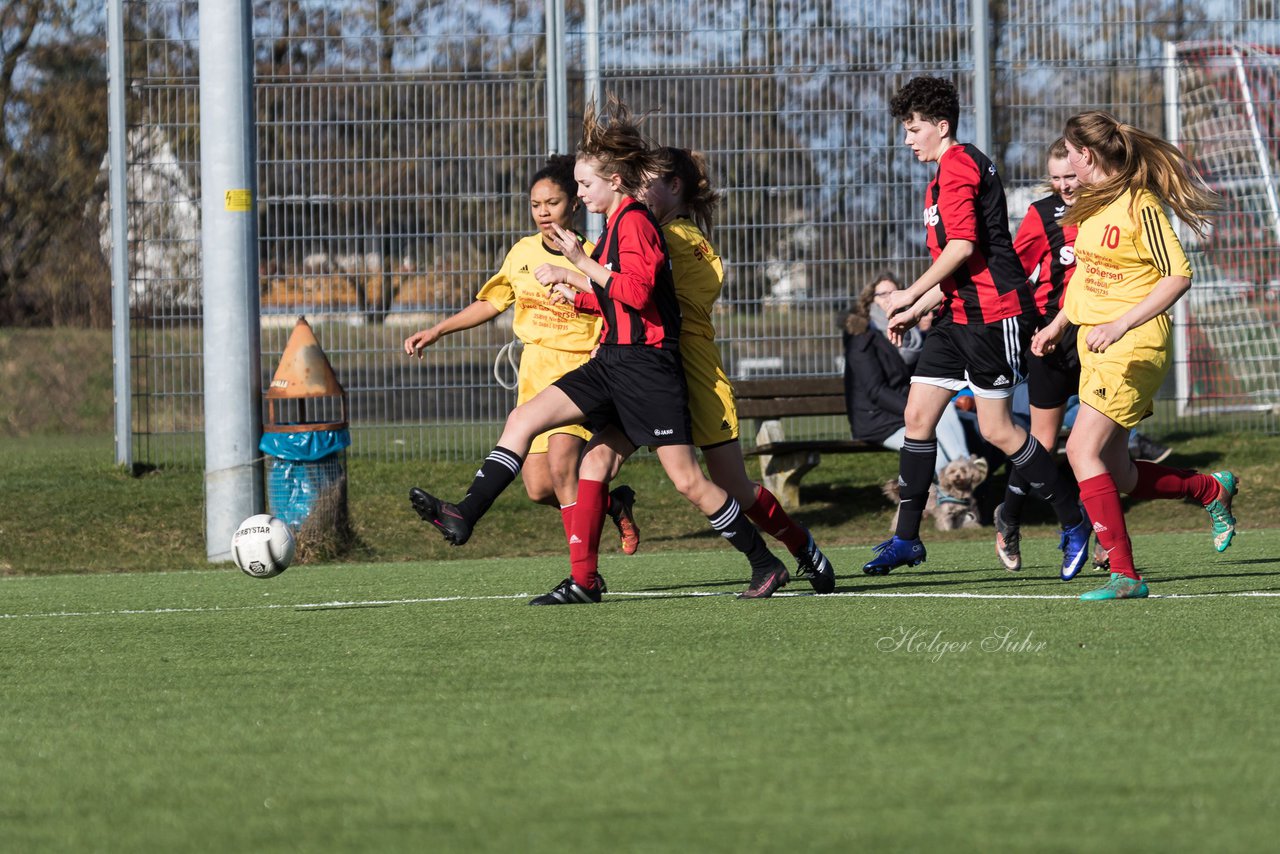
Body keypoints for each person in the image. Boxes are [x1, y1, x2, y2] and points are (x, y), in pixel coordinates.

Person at [409, 96, 793, 604]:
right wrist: (583, 293)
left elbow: (636, 293)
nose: (578, 194)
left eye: (584, 185)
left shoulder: (635, 222)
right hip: (611, 362)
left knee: (688, 482)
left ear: (613, 182)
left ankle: (765, 563)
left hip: (646, 370)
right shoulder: (614, 224)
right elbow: (617, 300)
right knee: (525, 421)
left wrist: (577, 267)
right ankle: (469, 516)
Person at [558, 146, 836, 594]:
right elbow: (628, 298)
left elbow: (641, 296)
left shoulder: (673, 238)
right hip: (647, 372)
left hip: (691, 373)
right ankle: (582, 579)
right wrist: (583, 294)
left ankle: (799, 546)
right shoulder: (651, 229)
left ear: (675, 186)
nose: (636, 188)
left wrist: (578, 276)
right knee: (596, 461)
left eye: (646, 181)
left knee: (732, 488)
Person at [862, 76, 1090, 577]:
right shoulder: (941, 175)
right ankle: (906, 540)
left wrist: (905, 293)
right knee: (918, 418)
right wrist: (916, 307)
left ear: (941, 126)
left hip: (995, 317)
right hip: (956, 316)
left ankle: (1073, 521)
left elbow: (963, 248)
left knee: (997, 429)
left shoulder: (961, 163)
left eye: (913, 128)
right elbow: (957, 266)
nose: (907, 138)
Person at [1033, 110, 1237, 600]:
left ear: (1085, 155)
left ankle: (1125, 574)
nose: (1065, 163)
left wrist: (1122, 322)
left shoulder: (1139, 203)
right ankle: (1211, 489)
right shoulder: (1090, 205)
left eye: (1069, 151)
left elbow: (1178, 275)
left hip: (1134, 345)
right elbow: (1085, 277)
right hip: (1095, 345)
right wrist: (1059, 325)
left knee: (1080, 451)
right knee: (1118, 472)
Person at [402, 155, 639, 558]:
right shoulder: (522, 253)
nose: (543, 213)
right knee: (539, 488)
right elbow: (492, 303)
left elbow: (614, 310)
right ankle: (613, 504)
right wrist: (438, 329)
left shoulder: (594, 255)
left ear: (575, 204)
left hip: (580, 375)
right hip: (535, 379)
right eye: (535, 205)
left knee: (565, 469)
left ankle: (582, 574)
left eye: (553, 203)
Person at [843, 273, 972, 481]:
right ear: (870, 299)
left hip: (905, 412)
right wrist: (916, 411)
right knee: (933, 451)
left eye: (893, 293)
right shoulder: (861, 335)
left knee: (945, 411)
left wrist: (926, 332)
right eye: (882, 294)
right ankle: (957, 492)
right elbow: (876, 391)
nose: (888, 298)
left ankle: (963, 471)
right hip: (878, 419)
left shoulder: (911, 334)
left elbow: (926, 375)